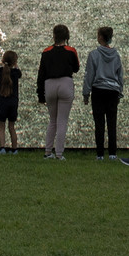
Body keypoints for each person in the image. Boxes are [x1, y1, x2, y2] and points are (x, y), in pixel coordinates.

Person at [36, 26, 80, 160]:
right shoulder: (71, 50)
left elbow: (41, 74)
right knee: (62, 121)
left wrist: (40, 94)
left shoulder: (46, 51)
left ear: (54, 36)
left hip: (49, 85)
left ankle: (48, 151)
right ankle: (59, 153)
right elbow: (76, 68)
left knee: (52, 121)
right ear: (67, 36)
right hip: (65, 84)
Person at [82, 26, 124, 161]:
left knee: (99, 122)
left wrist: (86, 93)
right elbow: (120, 75)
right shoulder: (116, 55)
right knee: (112, 121)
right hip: (112, 90)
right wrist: (119, 91)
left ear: (100, 37)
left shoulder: (94, 54)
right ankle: (112, 153)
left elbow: (89, 75)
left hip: (98, 89)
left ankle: (100, 153)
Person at [0, 51, 22, 154]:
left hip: (2, 102)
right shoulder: (16, 73)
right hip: (13, 102)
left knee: (1, 126)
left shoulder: (0, 71)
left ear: (3, 60)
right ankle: (14, 149)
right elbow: (19, 73)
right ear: (14, 62)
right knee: (11, 127)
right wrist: (15, 64)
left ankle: (2, 148)